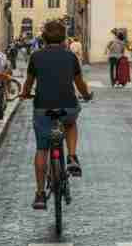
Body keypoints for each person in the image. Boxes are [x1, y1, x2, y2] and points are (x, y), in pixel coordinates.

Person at [20, 20, 93, 210]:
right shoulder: (71, 57)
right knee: (70, 122)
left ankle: (40, 194)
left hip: (43, 107)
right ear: (63, 37)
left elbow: (28, 83)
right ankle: (72, 157)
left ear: (43, 37)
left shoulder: (36, 57)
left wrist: (25, 93)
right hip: (67, 105)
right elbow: (80, 84)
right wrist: (86, 95)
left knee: (42, 149)